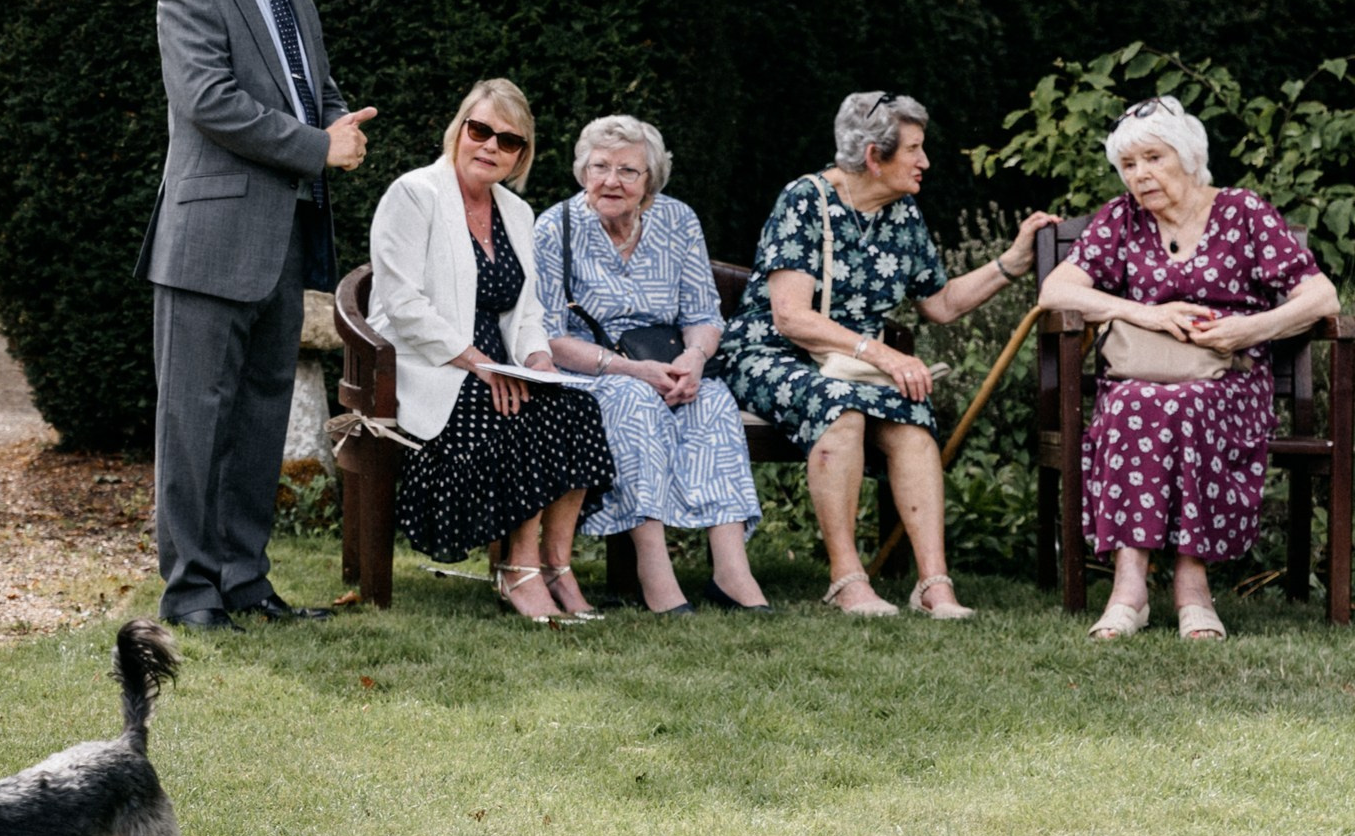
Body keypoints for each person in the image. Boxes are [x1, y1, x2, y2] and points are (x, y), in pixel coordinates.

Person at [137, 0, 377, 631]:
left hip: (281, 240)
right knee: (193, 424)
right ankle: (191, 593)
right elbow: (210, 101)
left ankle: (245, 582)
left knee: (259, 421)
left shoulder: (296, 1)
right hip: (206, 246)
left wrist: (339, 120)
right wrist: (318, 147)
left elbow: (313, 91)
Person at [715, 92, 1055, 619]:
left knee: (913, 418)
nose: (925, 162)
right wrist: (882, 354)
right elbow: (790, 317)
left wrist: (1010, 262)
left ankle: (933, 585)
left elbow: (939, 304)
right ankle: (846, 579)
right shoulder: (805, 200)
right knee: (842, 409)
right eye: (914, 150)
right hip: (773, 354)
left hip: (852, 363)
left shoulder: (903, 213)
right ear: (875, 157)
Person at [1038, 97, 1339, 641]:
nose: (1140, 175)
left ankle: (1191, 587)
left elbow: (1322, 297)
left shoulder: (1242, 212)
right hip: (1141, 377)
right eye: (1129, 165)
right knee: (1134, 403)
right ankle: (1129, 591)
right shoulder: (1122, 219)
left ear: (1188, 155)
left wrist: (1252, 329)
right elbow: (1055, 289)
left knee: (1188, 404)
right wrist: (1143, 311)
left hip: (1228, 380)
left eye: (1153, 157)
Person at [369, 79, 617, 623]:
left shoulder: (517, 212)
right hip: (426, 364)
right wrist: (477, 363)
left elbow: (525, 312)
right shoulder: (415, 194)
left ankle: (556, 563)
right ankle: (517, 569)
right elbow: (402, 304)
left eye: (508, 141)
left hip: (497, 365)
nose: (490, 146)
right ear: (458, 131)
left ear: (520, 156)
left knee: (576, 407)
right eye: (479, 130)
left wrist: (536, 360)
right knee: (519, 417)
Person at [533, 115, 766, 615]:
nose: (611, 181)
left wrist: (694, 358)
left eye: (627, 171)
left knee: (713, 402)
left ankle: (731, 571)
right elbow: (549, 336)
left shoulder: (678, 221)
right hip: (588, 372)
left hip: (668, 364)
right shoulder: (556, 227)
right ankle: (654, 571)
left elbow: (704, 313)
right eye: (600, 167)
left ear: (650, 179)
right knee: (636, 402)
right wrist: (632, 371)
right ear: (582, 170)